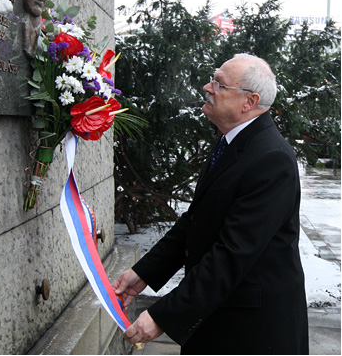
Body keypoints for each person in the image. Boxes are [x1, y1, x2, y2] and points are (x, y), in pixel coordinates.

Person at [113, 54, 309, 355]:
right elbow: (197, 220)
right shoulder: (232, 141)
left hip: (252, 332)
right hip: (222, 317)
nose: (207, 87)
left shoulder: (272, 159)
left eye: (219, 84)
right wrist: (143, 274)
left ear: (249, 101)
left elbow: (233, 254)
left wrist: (164, 315)